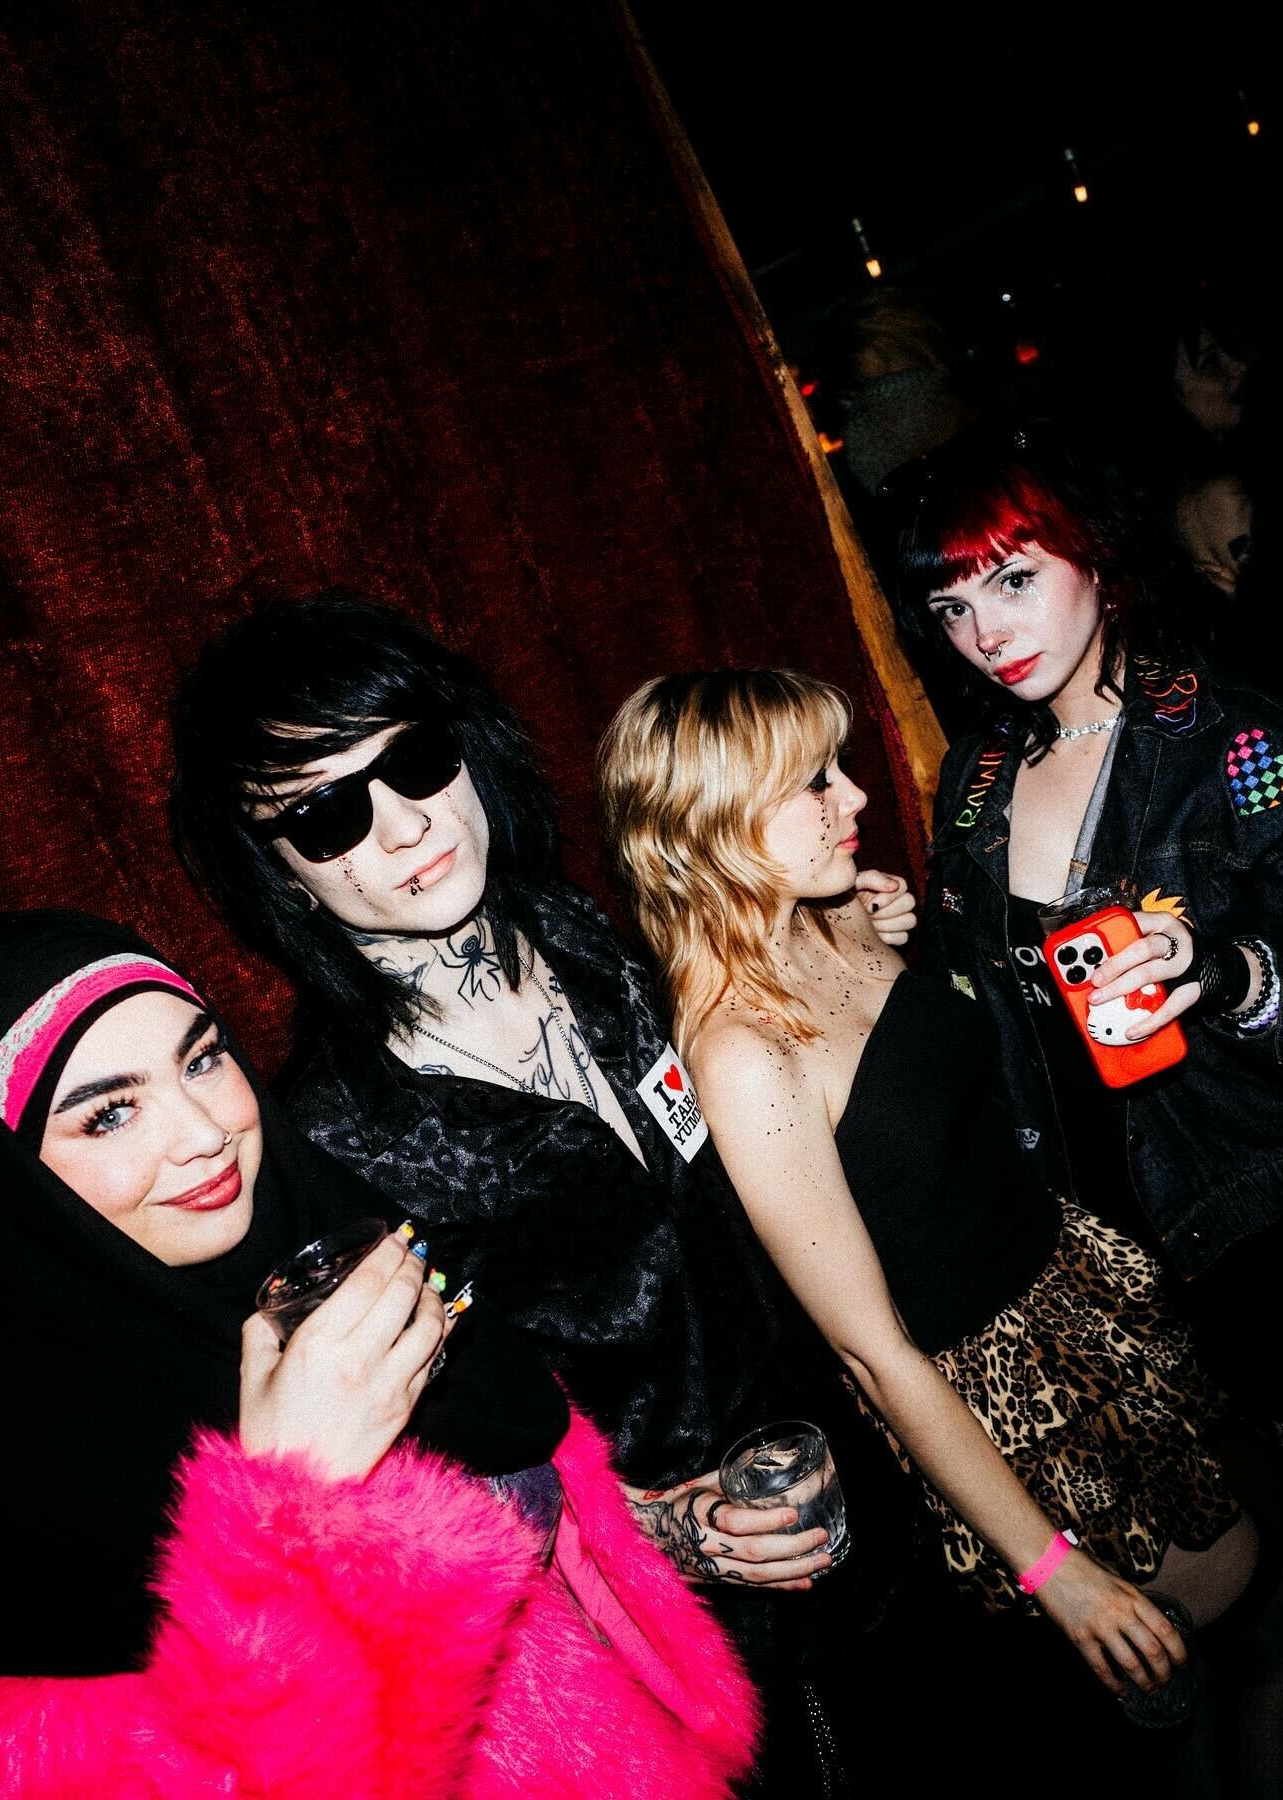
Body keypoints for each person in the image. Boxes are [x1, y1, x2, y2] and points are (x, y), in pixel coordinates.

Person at [171, 593, 924, 1791]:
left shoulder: (577, 932)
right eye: (326, 815)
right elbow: (441, 1469)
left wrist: (833, 934)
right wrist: (672, 1531)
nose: (406, 825)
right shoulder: (337, 1136)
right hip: (693, 1623)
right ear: (283, 875)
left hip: (862, 1468)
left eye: (416, 760)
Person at [0, 911, 759, 1796]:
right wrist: (294, 1503)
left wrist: (673, 1532)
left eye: (201, 1059)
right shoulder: (0, 1534)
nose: (204, 1133)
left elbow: (515, 1525)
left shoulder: (311, 1250)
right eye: (110, 1114)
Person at [598, 667, 1261, 1700]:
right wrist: (1053, 1571)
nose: (856, 795)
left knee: (1247, 1630)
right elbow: (872, 1351)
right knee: (1216, 1633)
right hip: (999, 1406)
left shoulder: (830, 915)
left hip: (1073, 1296)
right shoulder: (742, 1053)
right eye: (815, 782)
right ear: (715, 825)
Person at [875, 420, 1283, 1600]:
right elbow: (1001, 1021)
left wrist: (1228, 973)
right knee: (1272, 1571)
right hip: (1132, 1256)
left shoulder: (1242, 746)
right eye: (951, 607)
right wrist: (897, 939)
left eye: (1012, 580)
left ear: (1094, 553)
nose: (986, 635)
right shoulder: (978, 779)